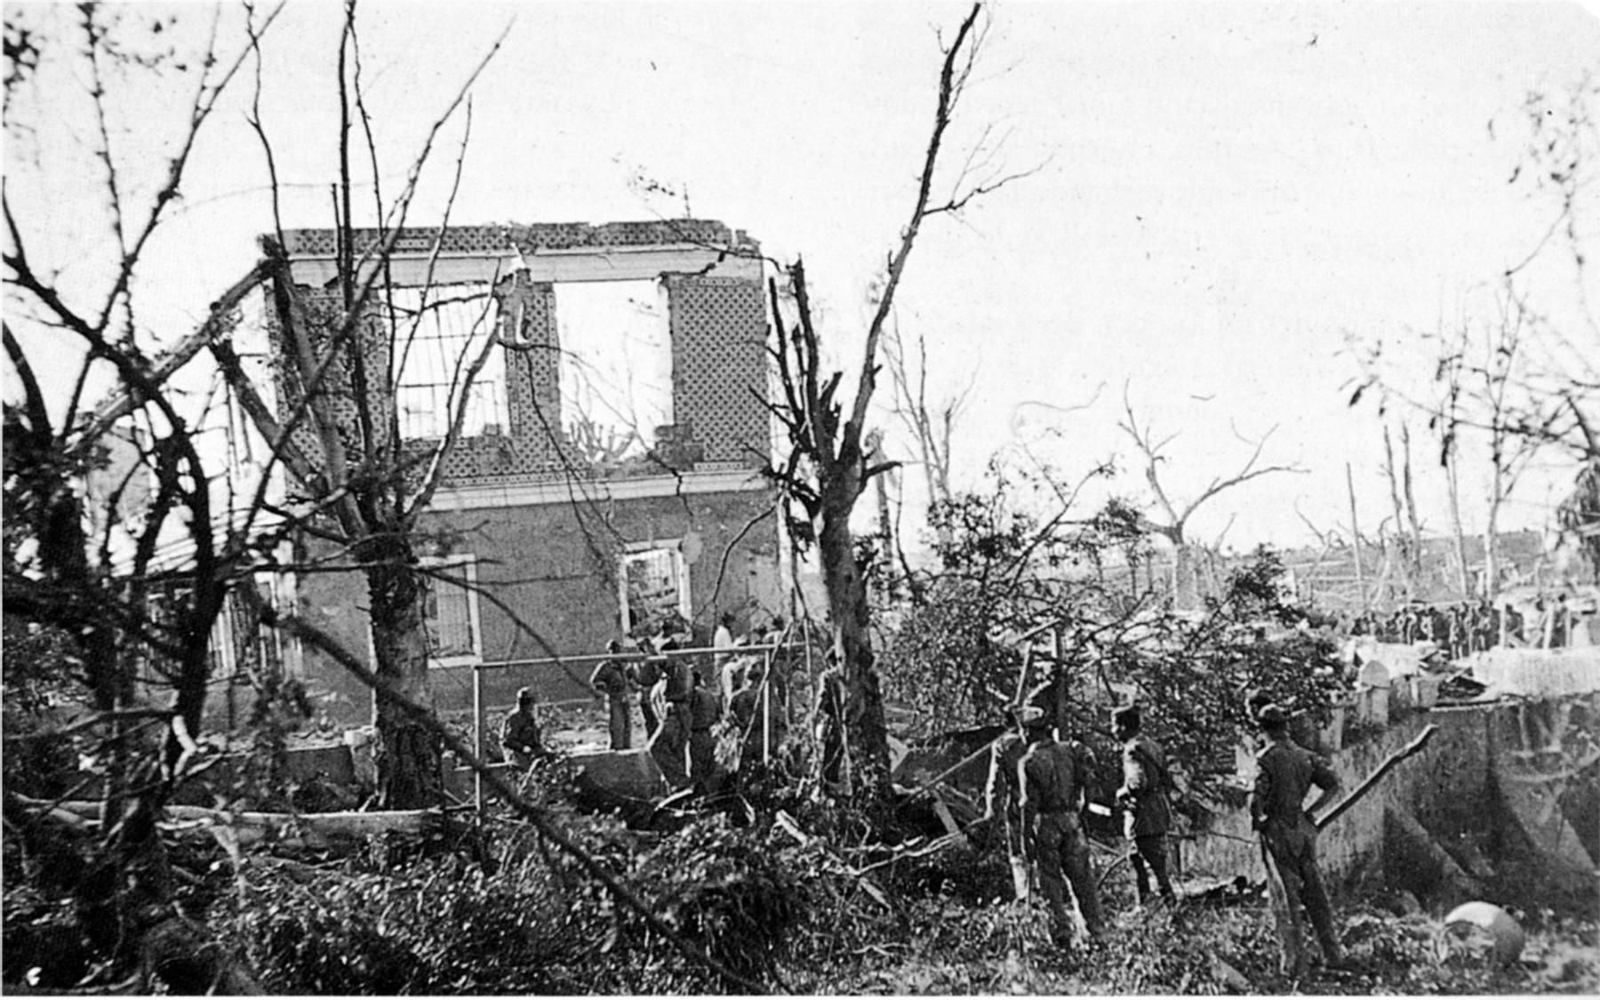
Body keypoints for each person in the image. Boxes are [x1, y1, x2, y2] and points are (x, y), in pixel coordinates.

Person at [1250, 704, 1347, 978]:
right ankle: (1333, 953)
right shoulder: (1304, 756)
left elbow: (1254, 799)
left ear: (1262, 730)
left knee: (1285, 898)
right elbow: (1334, 784)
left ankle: (1294, 965)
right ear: (1286, 727)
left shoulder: (1265, 758)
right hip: (1303, 829)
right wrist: (1311, 812)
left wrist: (1259, 821)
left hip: (1278, 830)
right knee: (1316, 894)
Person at [1013, 706, 1107, 951]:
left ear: (1027, 732)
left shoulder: (1029, 762)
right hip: (1072, 821)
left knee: (1051, 880)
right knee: (1083, 879)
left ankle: (1062, 934)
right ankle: (1096, 933)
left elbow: (1028, 804)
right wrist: (1082, 810)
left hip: (1048, 824)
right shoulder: (1071, 751)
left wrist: (1025, 839)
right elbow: (1090, 782)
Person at [1113, 705, 1177, 906]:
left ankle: (1154, 904)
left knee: (1140, 861)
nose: (1113, 730)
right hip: (1158, 809)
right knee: (1154, 860)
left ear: (1123, 726)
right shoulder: (1152, 745)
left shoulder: (1132, 750)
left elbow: (1137, 783)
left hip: (1142, 814)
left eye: (1114, 725)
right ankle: (1162, 904)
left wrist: (1121, 793)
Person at [589, 639, 634, 750]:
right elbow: (595, 681)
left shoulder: (622, 666)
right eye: (613, 650)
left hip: (624, 696)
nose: (616, 653)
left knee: (627, 724)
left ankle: (626, 746)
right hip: (613, 698)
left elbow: (629, 679)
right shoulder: (605, 666)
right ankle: (616, 747)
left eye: (618, 650)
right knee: (617, 725)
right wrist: (605, 690)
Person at [686, 669, 721, 789]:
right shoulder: (708, 694)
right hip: (710, 733)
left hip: (696, 734)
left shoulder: (692, 696)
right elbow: (717, 713)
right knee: (709, 768)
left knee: (696, 769)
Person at [501, 687, 550, 770]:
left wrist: (541, 749)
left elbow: (534, 740)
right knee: (524, 767)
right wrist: (522, 748)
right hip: (516, 754)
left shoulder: (530, 717)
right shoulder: (514, 718)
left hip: (530, 751)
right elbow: (507, 741)